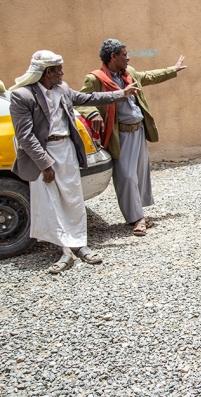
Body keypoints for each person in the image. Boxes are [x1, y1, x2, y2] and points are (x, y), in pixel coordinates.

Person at [8, 50, 138, 273]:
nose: (62, 72)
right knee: (50, 203)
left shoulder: (62, 89)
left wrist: (122, 93)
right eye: (58, 69)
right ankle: (64, 250)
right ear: (47, 72)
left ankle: (80, 244)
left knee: (73, 200)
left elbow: (89, 98)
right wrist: (45, 164)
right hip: (43, 154)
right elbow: (25, 136)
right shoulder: (23, 96)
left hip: (66, 150)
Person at [79, 39, 186, 237]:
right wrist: (92, 114)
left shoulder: (129, 73)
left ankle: (138, 213)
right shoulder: (95, 79)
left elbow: (149, 77)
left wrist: (173, 69)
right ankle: (136, 219)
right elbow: (81, 101)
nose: (128, 58)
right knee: (126, 176)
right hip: (120, 136)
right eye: (124, 54)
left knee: (139, 173)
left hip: (139, 131)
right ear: (113, 57)